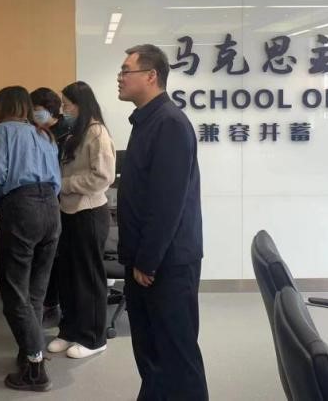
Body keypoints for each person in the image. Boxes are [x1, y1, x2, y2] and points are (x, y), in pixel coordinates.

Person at [116, 44, 208, 401]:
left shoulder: (169, 123)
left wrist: (147, 260)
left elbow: (167, 202)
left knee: (177, 357)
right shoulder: (146, 120)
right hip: (147, 260)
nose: (120, 78)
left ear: (151, 76)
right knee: (152, 354)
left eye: (126, 71)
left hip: (166, 264)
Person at [0, 86, 62, 392]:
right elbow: (57, 181)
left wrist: (4, 205)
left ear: (1, 107)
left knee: (15, 294)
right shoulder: (45, 135)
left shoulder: (2, 131)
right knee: (35, 294)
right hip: (51, 211)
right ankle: (29, 352)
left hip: (21, 208)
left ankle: (35, 368)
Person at [47, 81, 115, 359]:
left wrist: (65, 184)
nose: (64, 110)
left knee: (88, 277)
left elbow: (103, 177)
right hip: (68, 211)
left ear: (81, 105)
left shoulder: (97, 132)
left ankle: (94, 337)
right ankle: (70, 330)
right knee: (68, 276)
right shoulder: (76, 132)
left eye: (67, 105)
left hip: (89, 212)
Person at [30, 86, 73, 326]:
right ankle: (47, 303)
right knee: (46, 256)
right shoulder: (35, 131)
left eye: (36, 110)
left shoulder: (68, 132)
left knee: (59, 257)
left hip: (64, 199)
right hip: (44, 202)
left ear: (50, 109)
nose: (33, 115)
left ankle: (55, 304)